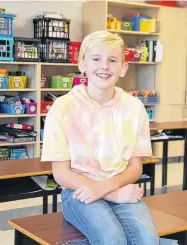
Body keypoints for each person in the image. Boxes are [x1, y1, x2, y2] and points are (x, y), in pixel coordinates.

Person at [41, 30, 159, 245]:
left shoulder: (134, 107)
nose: (104, 66)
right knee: (112, 239)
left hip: (121, 187)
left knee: (148, 240)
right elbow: (60, 173)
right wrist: (110, 193)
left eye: (112, 60)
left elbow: (135, 167)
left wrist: (108, 188)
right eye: (96, 59)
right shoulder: (63, 107)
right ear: (82, 64)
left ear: (123, 68)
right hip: (78, 193)